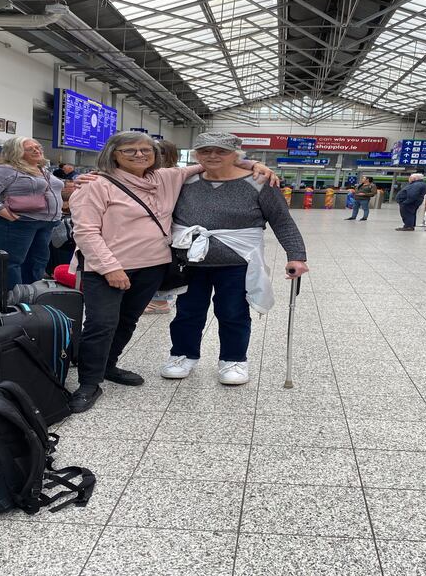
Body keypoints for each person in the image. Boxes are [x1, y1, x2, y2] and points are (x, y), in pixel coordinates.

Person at [67, 131, 276, 412]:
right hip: (107, 268)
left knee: (127, 320)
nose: (139, 155)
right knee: (101, 323)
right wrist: (111, 268)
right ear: (113, 154)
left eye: (146, 150)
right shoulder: (95, 185)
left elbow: (212, 162)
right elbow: (86, 232)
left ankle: (108, 366)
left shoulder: (165, 177)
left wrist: (253, 165)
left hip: (152, 266)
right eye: (130, 151)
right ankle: (88, 384)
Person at [159, 132, 309, 385]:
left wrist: (296, 256)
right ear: (196, 155)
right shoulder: (184, 181)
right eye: (205, 151)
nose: (213, 156)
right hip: (191, 263)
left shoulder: (259, 182)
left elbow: (282, 221)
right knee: (187, 312)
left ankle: (233, 360)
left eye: (221, 151)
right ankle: (182, 355)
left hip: (237, 263)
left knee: (233, 312)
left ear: (235, 155)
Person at [0, 137, 64, 296]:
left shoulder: (41, 169)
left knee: (37, 262)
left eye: (38, 147)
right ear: (16, 152)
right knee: (10, 263)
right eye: (30, 149)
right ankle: (8, 301)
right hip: (19, 223)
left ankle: (30, 297)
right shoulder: (7, 169)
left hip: (45, 223)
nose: (37, 150)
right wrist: (8, 215)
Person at [145, 139, 181, 315]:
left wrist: (253, 164)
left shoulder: (174, 174)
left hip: (166, 229)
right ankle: (157, 299)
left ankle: (160, 300)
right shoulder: (144, 173)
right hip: (151, 231)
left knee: (160, 264)